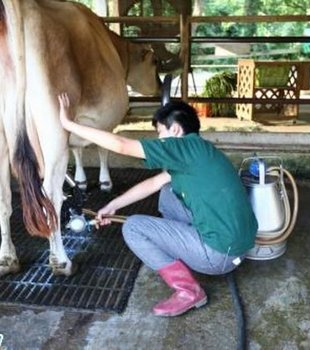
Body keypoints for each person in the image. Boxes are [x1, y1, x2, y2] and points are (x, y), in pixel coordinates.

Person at [58, 93, 258, 317]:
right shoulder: (199, 151)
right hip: (238, 245)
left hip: (219, 256)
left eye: (160, 132)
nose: (159, 138)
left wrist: (68, 124)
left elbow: (121, 145)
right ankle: (178, 247)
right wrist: (113, 205)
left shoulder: (181, 148)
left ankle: (189, 291)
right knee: (167, 193)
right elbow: (154, 183)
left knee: (133, 227)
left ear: (175, 130)